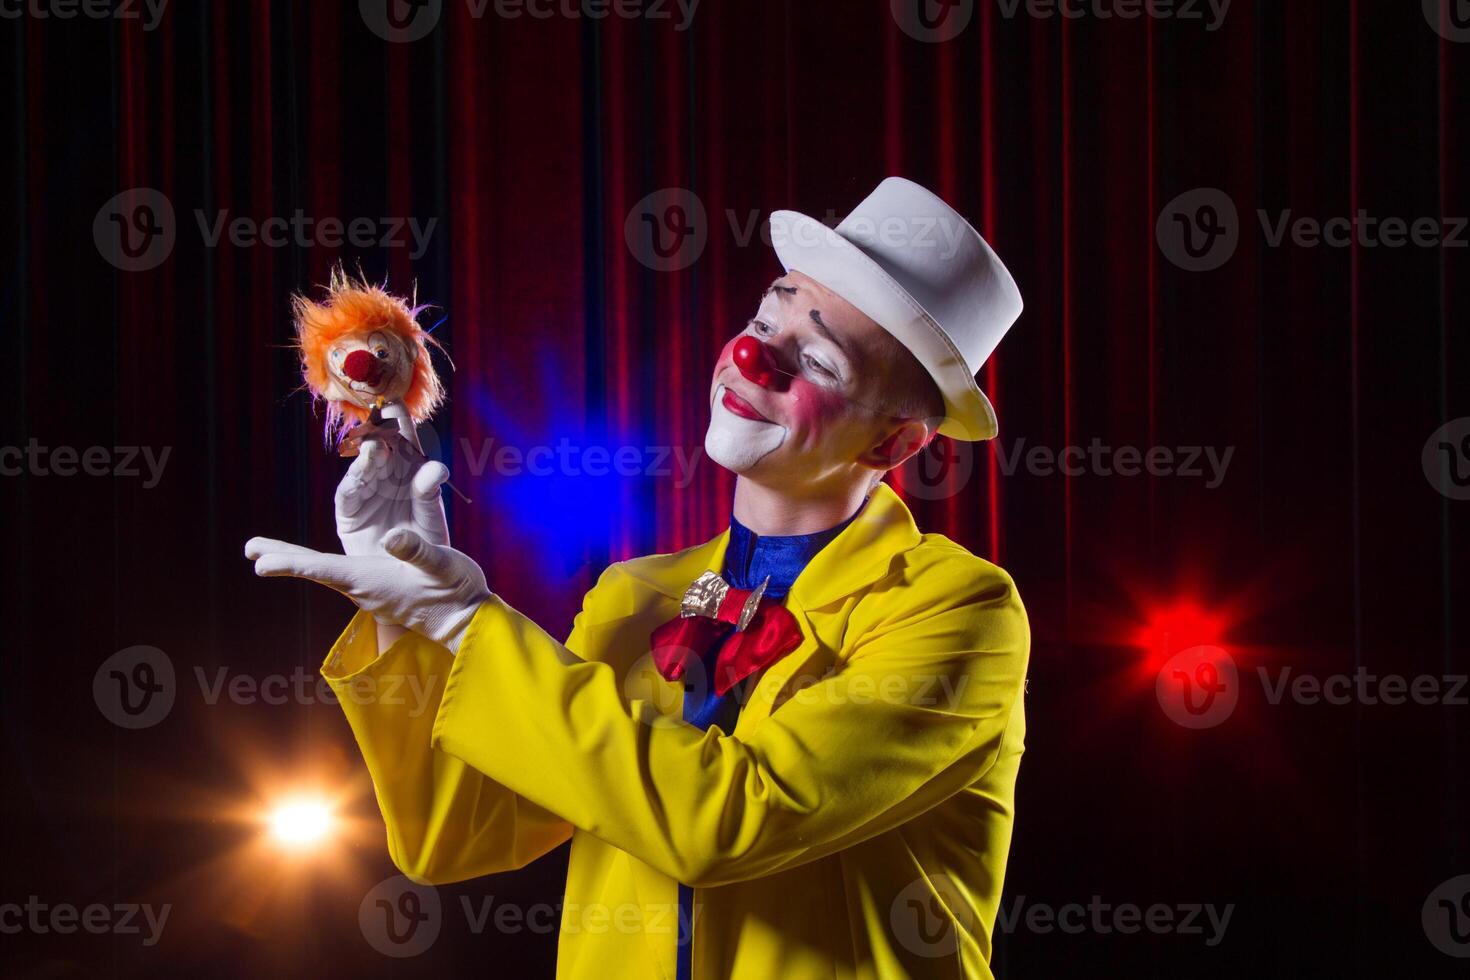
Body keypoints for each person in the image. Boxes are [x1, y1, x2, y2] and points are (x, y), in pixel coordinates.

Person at [246, 176, 1029, 978]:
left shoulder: (957, 610)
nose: (755, 357)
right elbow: (459, 831)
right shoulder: (636, 593)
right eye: (765, 319)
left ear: (893, 446)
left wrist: (468, 623)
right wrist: (406, 614)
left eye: (818, 358)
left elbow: (725, 824)